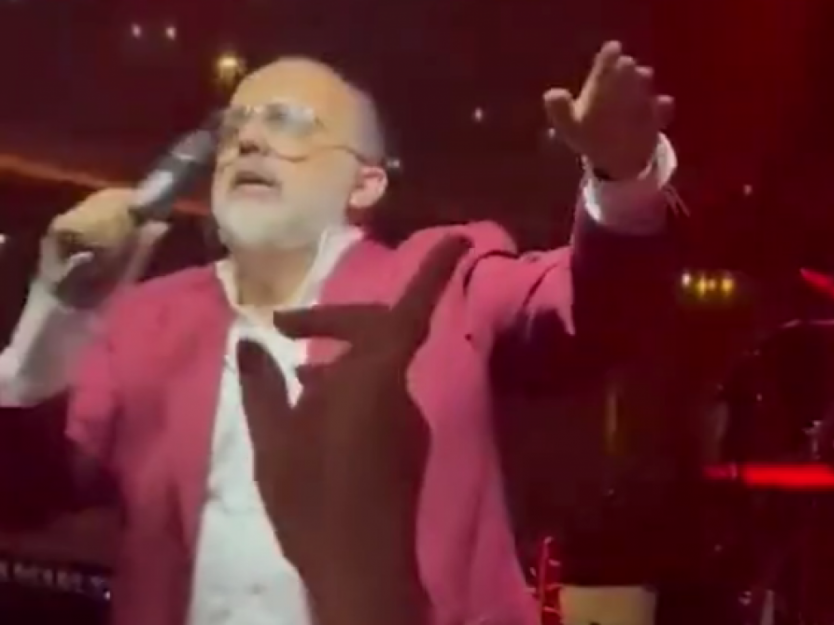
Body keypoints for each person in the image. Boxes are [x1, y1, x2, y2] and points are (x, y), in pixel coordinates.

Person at [0, 41, 677, 625]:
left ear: (365, 184)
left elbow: (601, 313)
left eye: (288, 121)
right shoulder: (147, 317)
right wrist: (56, 309)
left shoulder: (441, 275)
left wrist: (622, 183)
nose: (248, 140)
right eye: (234, 127)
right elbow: (21, 490)